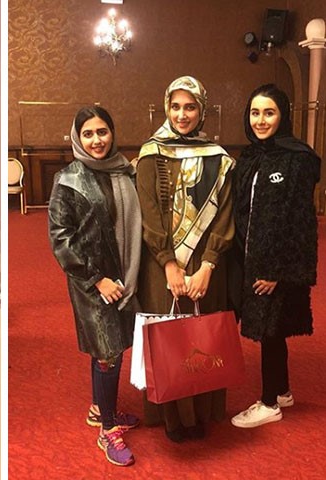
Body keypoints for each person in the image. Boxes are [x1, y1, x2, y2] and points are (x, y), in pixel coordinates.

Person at [135, 76, 235, 441]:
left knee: (202, 340)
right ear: (166, 108)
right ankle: (172, 418)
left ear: (202, 110)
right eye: (175, 107)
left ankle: (201, 413)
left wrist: (208, 265)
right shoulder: (151, 154)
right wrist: (169, 264)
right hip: (161, 265)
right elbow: (148, 214)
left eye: (190, 107)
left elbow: (225, 215)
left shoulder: (219, 158)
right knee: (169, 337)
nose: (182, 115)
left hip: (207, 265)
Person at [48, 106, 141, 467]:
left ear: (112, 133)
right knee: (107, 351)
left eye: (102, 131)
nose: (96, 140)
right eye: (88, 134)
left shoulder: (124, 170)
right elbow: (60, 238)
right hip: (91, 281)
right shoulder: (68, 179)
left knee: (112, 348)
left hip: (123, 274)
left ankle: (100, 408)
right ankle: (107, 428)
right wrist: (97, 279)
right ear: (77, 138)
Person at [230, 84, 320, 428]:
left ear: (282, 116)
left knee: (269, 328)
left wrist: (277, 272)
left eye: (269, 113)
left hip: (276, 265)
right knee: (275, 329)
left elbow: (299, 221)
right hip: (252, 257)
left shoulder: (297, 158)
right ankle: (282, 391)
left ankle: (269, 403)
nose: (261, 120)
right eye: (255, 112)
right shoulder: (251, 157)